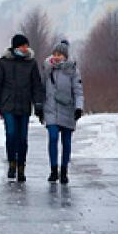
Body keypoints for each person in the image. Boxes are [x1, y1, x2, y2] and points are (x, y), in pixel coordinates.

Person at [0, 34, 45, 182]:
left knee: (23, 138)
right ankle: (12, 163)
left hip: (24, 105)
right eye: (22, 46)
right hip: (8, 105)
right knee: (11, 134)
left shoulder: (31, 63)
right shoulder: (2, 63)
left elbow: (36, 85)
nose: (25, 48)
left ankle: (21, 166)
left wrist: (38, 104)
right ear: (15, 47)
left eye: (26, 45)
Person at [41, 40, 84, 184]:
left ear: (65, 56)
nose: (56, 56)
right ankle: (53, 170)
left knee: (66, 142)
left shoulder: (73, 71)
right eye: (55, 53)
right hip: (51, 110)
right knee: (53, 138)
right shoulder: (47, 69)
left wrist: (79, 108)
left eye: (59, 54)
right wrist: (39, 107)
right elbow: (41, 89)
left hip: (68, 110)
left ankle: (64, 170)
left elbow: (78, 92)